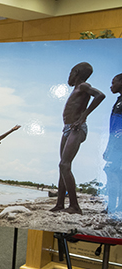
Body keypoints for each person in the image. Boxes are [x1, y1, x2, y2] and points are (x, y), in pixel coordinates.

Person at [51, 62, 105, 214]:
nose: (68, 76)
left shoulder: (83, 86)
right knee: (62, 166)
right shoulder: (76, 89)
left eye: (70, 73)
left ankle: (75, 206)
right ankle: (60, 204)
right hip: (67, 129)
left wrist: (83, 117)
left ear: (76, 72)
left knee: (64, 165)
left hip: (77, 128)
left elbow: (100, 95)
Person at [103, 73, 122, 214]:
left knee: (114, 173)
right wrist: (109, 146)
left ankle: (117, 208)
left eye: (113, 82)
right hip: (114, 143)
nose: (111, 85)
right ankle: (111, 207)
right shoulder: (118, 100)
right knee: (111, 173)